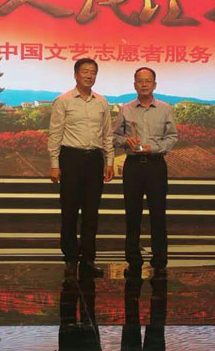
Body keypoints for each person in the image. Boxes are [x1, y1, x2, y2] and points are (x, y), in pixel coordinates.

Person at [48, 58, 115, 278]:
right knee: (69, 211)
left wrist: (109, 161)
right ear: (76, 75)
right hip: (71, 159)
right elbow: (55, 135)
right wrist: (55, 165)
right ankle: (70, 259)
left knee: (91, 213)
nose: (89, 75)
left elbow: (107, 135)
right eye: (85, 71)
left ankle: (88, 259)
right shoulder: (63, 101)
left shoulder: (102, 102)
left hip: (94, 160)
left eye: (93, 72)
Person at [112, 67, 178, 278]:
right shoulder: (126, 109)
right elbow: (114, 137)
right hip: (133, 166)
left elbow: (172, 137)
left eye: (148, 80)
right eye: (140, 81)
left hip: (156, 165)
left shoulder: (165, 109)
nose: (144, 84)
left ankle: (159, 261)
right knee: (132, 214)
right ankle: (133, 260)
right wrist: (126, 141)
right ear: (134, 85)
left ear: (154, 84)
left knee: (158, 214)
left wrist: (154, 148)